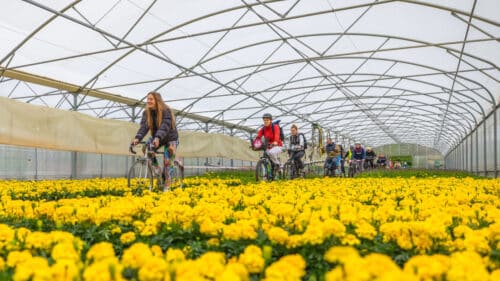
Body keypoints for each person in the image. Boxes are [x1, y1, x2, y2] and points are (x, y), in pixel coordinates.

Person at [132, 91, 179, 191]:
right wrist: (137, 138)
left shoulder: (166, 111)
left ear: (157, 100)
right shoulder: (146, 113)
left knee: (168, 161)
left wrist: (157, 137)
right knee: (146, 148)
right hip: (157, 137)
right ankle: (157, 169)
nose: (148, 101)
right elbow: (144, 127)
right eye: (147, 99)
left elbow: (165, 126)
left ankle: (167, 183)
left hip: (170, 138)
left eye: (151, 99)